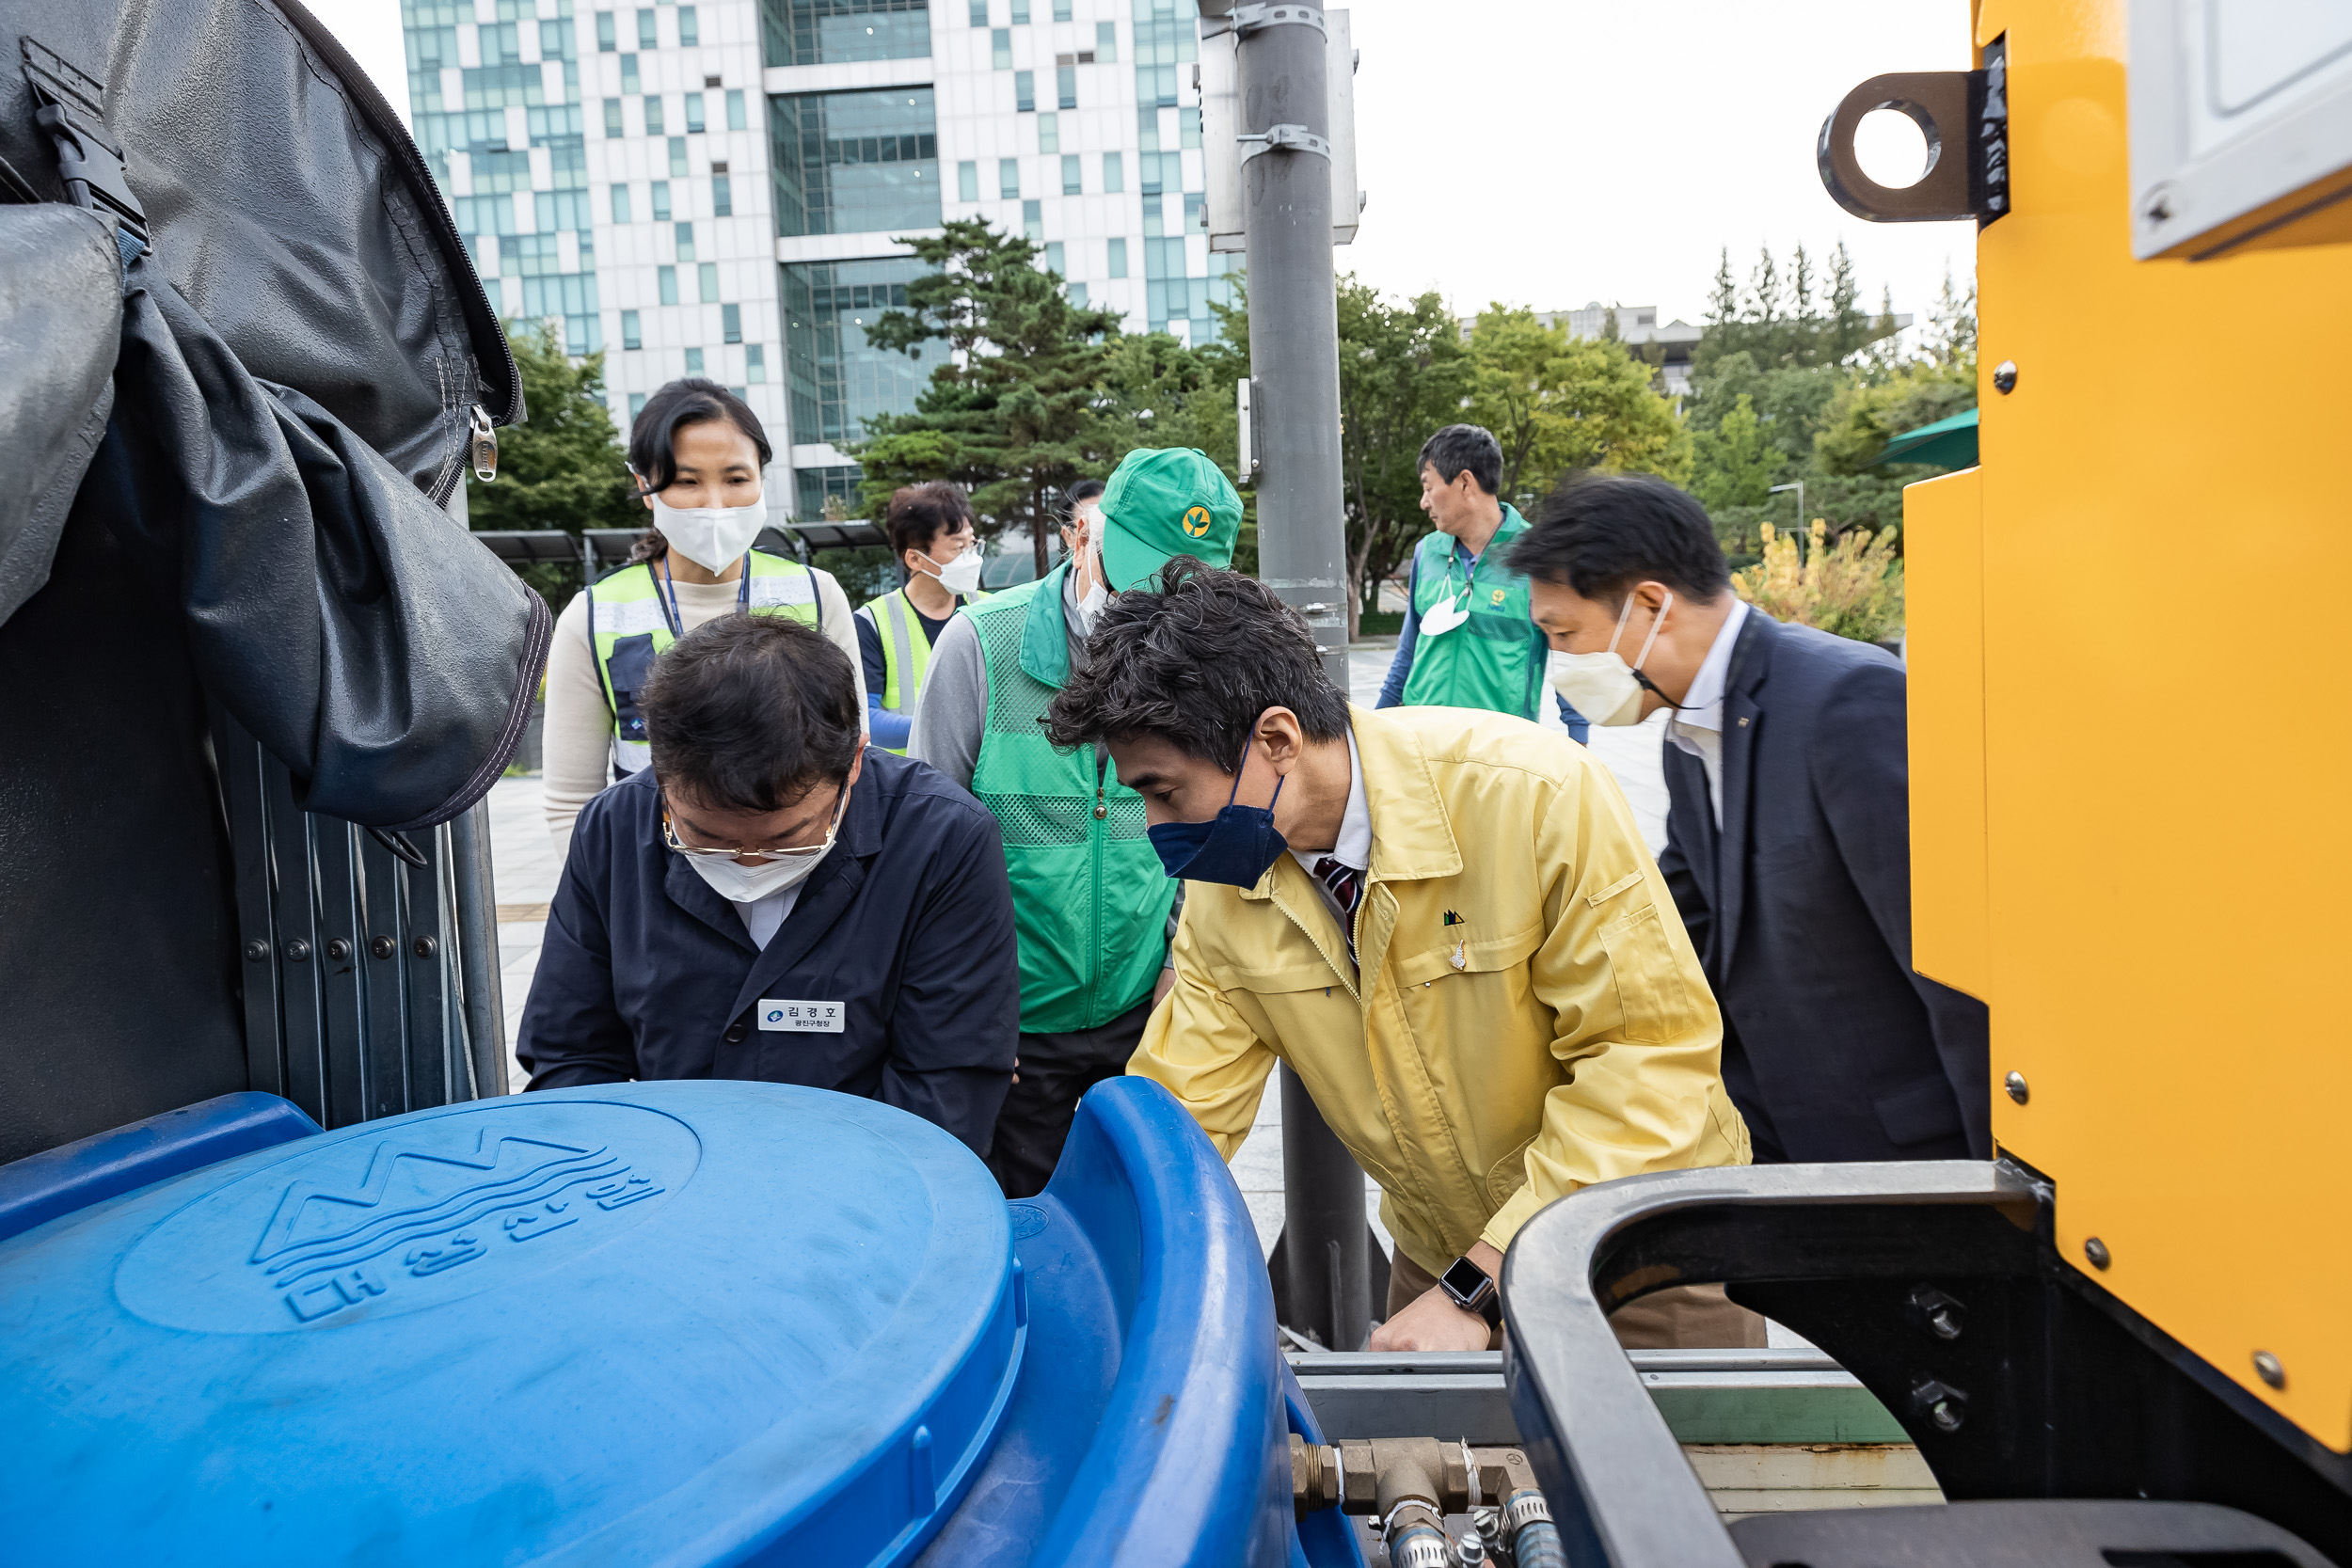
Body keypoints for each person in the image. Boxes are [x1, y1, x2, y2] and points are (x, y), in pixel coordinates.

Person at [1048, 559, 1757, 1353]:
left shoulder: (1532, 798)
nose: (1153, 827)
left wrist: (1479, 1283)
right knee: (1436, 1475)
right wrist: (1078, 1264)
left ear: (1276, 739)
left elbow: (1648, 1061)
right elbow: (1182, 1105)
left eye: (1166, 792)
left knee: (1673, 1477)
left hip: (1636, 1249)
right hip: (1442, 1258)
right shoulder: (1229, 891)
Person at [1512, 473, 1991, 1164]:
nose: (1560, 662)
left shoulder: (1844, 704)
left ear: (1649, 604)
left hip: (1904, 1160)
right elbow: (1680, 924)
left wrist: (2005, 1203)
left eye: (1564, 632)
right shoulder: (1687, 733)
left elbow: (1958, 971)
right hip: (1778, 1144)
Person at [517, 613, 1019, 1153]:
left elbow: (947, 1084)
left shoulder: (941, 839)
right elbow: (571, 1055)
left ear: (852, 764)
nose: (750, 864)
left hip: (871, 1190)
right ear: (661, 775)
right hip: (663, 1179)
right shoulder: (614, 830)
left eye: (788, 841)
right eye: (706, 840)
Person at [911, 447, 1241, 1198]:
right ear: (1089, 538)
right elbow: (924, 852)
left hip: (1144, 1014)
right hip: (1015, 1030)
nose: (1143, 615)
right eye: (1133, 580)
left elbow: (1209, 842)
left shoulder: (1206, 663)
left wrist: (1173, 973)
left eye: (1174, 597)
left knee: (1135, 1225)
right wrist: (973, 1013)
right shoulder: (981, 648)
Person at [541, 379, 866, 857]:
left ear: (761, 479)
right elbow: (572, 801)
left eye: (736, 479)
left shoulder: (816, 594)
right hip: (655, 872)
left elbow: (852, 758)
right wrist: (614, 902)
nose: (715, 504)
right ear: (645, 487)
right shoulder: (593, 616)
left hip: (803, 863)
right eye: (687, 481)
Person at [1376, 424, 1588, 742]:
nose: (1424, 502)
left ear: (1465, 483)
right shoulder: (1426, 551)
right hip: (1422, 743)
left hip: (1500, 751)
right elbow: (1408, 652)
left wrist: (1579, 739)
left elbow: (1569, 657)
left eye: (1428, 487)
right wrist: (1374, 729)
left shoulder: (1539, 557)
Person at [856, 483, 987, 754]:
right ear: (915, 559)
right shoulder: (872, 622)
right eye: (958, 547)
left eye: (972, 544)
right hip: (908, 784)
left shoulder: (990, 610)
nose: (971, 558)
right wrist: (948, 728)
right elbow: (865, 721)